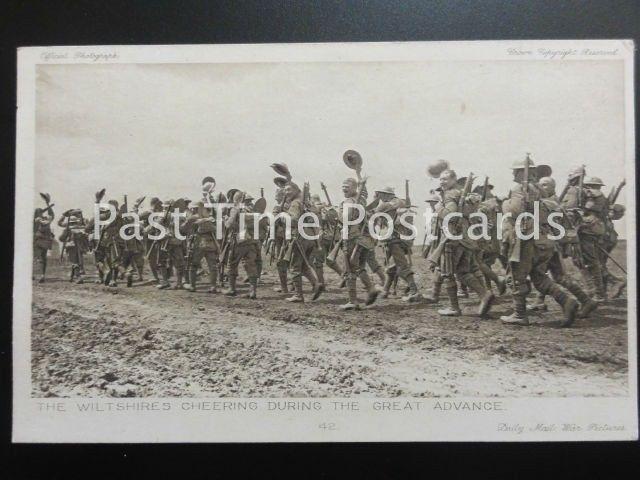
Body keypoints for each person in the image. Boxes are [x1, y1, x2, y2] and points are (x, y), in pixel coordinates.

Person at [500, 157, 579, 326]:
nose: (513, 173)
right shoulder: (539, 190)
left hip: (525, 240)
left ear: (522, 172)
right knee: (538, 276)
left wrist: (505, 203)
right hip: (543, 239)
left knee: (515, 276)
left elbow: (514, 211)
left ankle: (519, 314)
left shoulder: (519, 188)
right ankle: (566, 301)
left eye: (515, 170)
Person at [427, 169, 495, 317]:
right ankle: (484, 294)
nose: (442, 182)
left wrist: (438, 208)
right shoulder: (460, 194)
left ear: (454, 180)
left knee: (447, 273)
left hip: (451, 239)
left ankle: (454, 307)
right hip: (464, 238)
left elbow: (450, 215)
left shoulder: (450, 195)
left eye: (445, 179)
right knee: (463, 271)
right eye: (441, 179)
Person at [561, 168, 607, 302]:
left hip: (587, 230)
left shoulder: (590, 194)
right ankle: (592, 290)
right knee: (579, 262)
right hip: (582, 230)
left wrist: (578, 211)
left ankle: (598, 293)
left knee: (590, 262)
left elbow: (585, 210)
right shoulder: (580, 192)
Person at [372, 186, 421, 301]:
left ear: (386, 194)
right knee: (392, 267)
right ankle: (385, 290)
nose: (380, 196)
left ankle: (414, 291)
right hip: (403, 239)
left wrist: (374, 200)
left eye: (381, 194)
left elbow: (371, 214)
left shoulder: (385, 205)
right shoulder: (401, 202)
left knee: (402, 266)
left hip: (393, 239)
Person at [338, 176, 380, 310]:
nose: (344, 189)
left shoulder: (350, 202)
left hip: (352, 238)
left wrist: (339, 213)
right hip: (362, 239)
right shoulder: (360, 200)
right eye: (343, 186)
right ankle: (371, 288)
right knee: (358, 266)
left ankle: (353, 300)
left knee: (349, 269)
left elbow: (345, 219)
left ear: (354, 188)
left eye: (347, 187)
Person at [224, 191, 261, 298]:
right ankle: (252, 291)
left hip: (239, 241)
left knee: (232, 264)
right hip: (252, 241)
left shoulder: (235, 209)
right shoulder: (252, 210)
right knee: (251, 265)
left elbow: (229, 225)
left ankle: (231, 289)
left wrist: (226, 220)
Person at [183, 201, 219, 293]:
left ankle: (192, 286)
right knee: (212, 266)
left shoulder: (193, 218)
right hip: (210, 243)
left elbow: (183, 229)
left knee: (193, 265)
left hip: (198, 243)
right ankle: (213, 286)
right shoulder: (210, 218)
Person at [33, 205, 55, 283]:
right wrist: (48, 205)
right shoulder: (45, 220)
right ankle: (42, 275)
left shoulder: (34, 220)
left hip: (37, 241)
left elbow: (51, 215)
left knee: (37, 258)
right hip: (43, 241)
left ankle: (38, 275)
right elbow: (52, 215)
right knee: (42, 258)